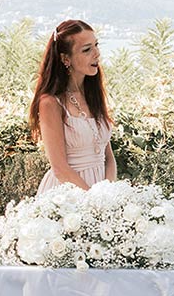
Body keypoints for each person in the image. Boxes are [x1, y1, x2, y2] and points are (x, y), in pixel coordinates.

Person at [29, 19, 116, 194]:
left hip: (102, 195)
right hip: (68, 195)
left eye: (96, 45)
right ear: (65, 58)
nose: (96, 54)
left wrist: (108, 196)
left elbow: (108, 157)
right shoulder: (51, 103)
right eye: (87, 50)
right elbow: (60, 168)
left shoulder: (93, 96)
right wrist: (92, 200)